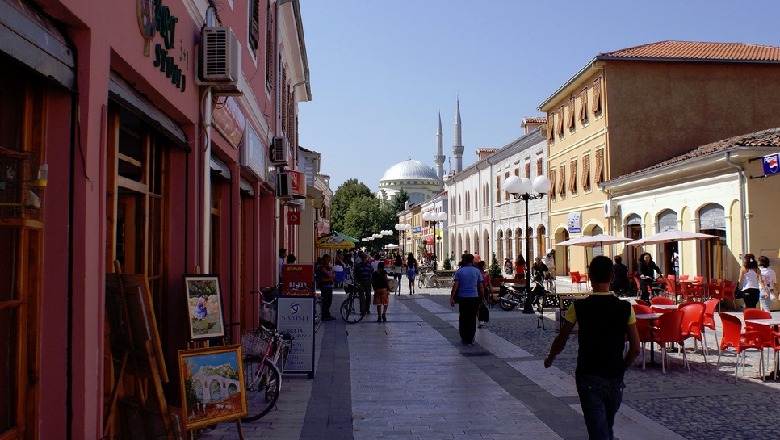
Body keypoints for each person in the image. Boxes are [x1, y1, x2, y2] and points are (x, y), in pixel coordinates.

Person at [544, 256, 640, 440]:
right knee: (606, 426)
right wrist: (622, 368)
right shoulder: (626, 308)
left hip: (588, 375)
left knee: (598, 430)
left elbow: (562, 338)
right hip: (614, 377)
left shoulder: (579, 307)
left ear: (589, 277)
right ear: (612, 277)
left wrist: (551, 357)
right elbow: (635, 348)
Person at [449, 254, 484, 345]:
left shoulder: (460, 271)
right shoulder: (477, 271)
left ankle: (463, 336)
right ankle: (470, 337)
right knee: (472, 318)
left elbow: (455, 286)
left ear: (464, 261)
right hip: (473, 297)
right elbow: (481, 286)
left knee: (463, 317)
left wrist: (452, 297)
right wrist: (483, 297)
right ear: (472, 261)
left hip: (463, 298)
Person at [315, 254, 336, 321]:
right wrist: (330, 278)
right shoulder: (321, 268)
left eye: (329, 260)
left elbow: (332, 274)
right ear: (324, 259)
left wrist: (331, 276)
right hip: (325, 286)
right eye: (327, 260)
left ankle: (327, 314)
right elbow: (326, 277)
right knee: (325, 302)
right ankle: (324, 316)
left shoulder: (327, 267)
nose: (328, 261)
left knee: (329, 301)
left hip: (329, 286)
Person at [476, 260, 491, 329]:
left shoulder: (476, 273)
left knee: (478, 306)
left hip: (476, 290)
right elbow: (489, 284)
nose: (485, 266)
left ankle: (479, 319)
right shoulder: (486, 274)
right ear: (482, 266)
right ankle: (481, 322)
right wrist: (492, 292)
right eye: (484, 265)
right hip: (484, 290)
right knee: (483, 304)